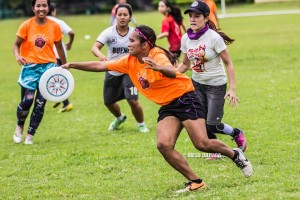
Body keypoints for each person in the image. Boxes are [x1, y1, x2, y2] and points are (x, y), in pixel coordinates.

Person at [61, 24, 252, 193]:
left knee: (202, 143)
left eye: (132, 40)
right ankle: (196, 182)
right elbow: (100, 65)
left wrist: (157, 68)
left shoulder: (157, 55)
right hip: (168, 106)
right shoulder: (129, 61)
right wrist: (73, 65)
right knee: (163, 145)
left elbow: (171, 71)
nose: (129, 43)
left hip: (185, 99)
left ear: (145, 45)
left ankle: (235, 154)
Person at [177, 1, 247, 160]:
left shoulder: (214, 38)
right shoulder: (186, 38)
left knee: (212, 124)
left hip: (216, 85)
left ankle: (236, 132)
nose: (193, 19)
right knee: (200, 121)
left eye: (197, 16)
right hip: (197, 85)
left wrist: (233, 88)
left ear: (206, 18)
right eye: (190, 16)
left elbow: (228, 63)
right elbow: (184, 65)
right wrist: (168, 74)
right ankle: (216, 148)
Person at [13, 0, 66, 144]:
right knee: (28, 100)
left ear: (48, 7)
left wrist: (64, 65)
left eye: (44, 5)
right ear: (33, 7)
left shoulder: (54, 26)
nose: (41, 8)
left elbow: (59, 47)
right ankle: (19, 125)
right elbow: (16, 45)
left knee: (40, 103)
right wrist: (18, 56)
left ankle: (30, 135)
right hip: (30, 69)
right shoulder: (26, 25)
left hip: (48, 69)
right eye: (38, 5)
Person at [91, 3, 149, 133]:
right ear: (115, 16)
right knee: (108, 102)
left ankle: (141, 125)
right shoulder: (108, 32)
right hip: (112, 70)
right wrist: (101, 56)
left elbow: (145, 47)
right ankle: (119, 118)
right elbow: (94, 47)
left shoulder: (135, 33)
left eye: (125, 15)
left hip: (130, 71)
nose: (122, 17)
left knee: (133, 100)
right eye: (119, 15)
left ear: (130, 17)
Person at [47, 2, 74, 113]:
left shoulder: (40, 22)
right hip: (59, 53)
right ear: (53, 11)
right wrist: (70, 44)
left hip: (47, 54)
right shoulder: (58, 22)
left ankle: (65, 102)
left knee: (54, 78)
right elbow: (71, 32)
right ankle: (58, 97)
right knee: (56, 77)